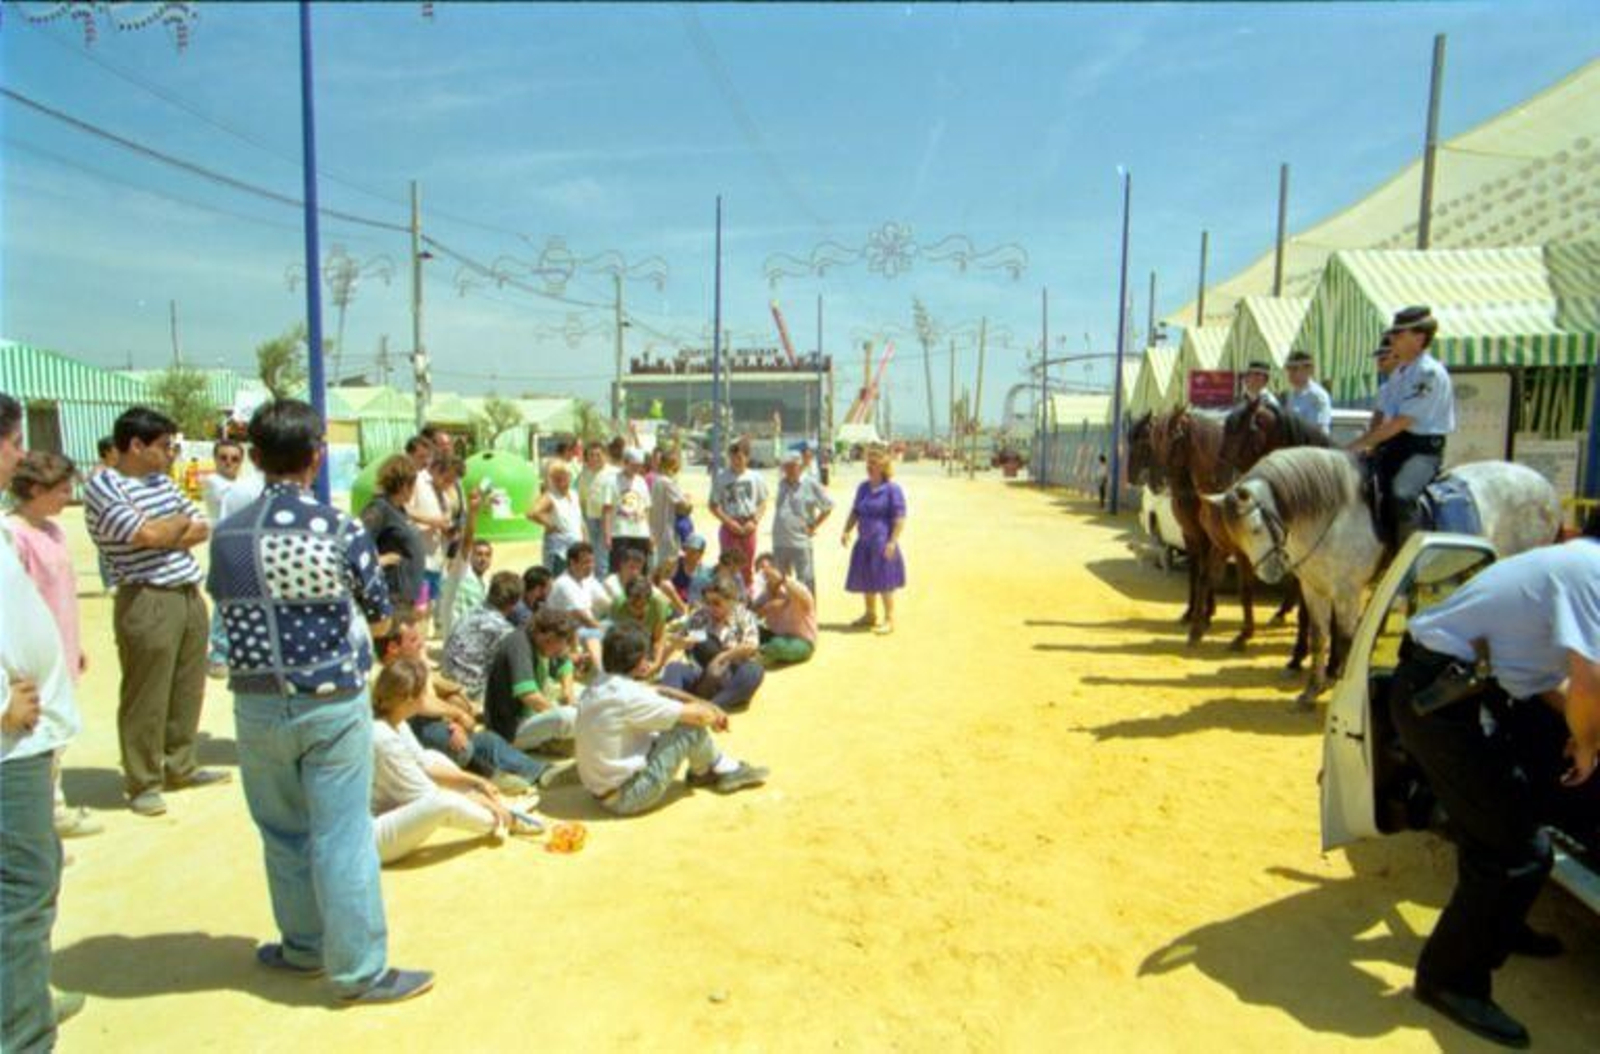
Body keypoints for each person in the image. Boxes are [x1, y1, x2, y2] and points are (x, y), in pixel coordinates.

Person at [207, 398, 432, 1004]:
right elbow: (383, 619)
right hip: (330, 700)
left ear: (254, 458)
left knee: (282, 831)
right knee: (342, 834)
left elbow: (226, 613)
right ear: (317, 456)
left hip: (256, 704)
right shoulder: (338, 529)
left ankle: (303, 946)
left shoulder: (226, 534)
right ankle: (361, 969)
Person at [1386, 533, 1600, 1047]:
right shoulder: (1594, 577)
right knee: (1517, 848)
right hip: (1439, 698)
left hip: (1461, 685)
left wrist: (1581, 734)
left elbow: (1548, 679)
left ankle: (1499, 924)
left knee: (1514, 813)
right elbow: (1587, 680)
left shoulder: (1580, 564)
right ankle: (1448, 980)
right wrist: (1588, 744)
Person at [85, 406, 228, 815]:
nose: (171, 454)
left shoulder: (162, 484)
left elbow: (198, 526)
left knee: (187, 686)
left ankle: (180, 764)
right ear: (136, 445)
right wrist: (168, 530)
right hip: (146, 596)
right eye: (165, 446)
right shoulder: (105, 486)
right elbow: (144, 534)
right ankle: (143, 780)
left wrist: (167, 530)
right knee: (147, 692)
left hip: (186, 591)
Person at [1, 393, 86, 1048]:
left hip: (27, 737)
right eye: (12, 442)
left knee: (32, 881)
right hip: (9, 742)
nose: (18, 454)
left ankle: (26, 998)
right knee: (23, 887)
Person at [575, 624, 767, 816]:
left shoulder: (602, 682)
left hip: (601, 791)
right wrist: (713, 713)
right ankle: (724, 769)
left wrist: (708, 704)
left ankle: (706, 770)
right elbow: (700, 717)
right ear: (639, 661)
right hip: (627, 797)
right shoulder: (629, 696)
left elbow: (660, 690)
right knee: (687, 728)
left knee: (675, 718)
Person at [7, 452, 101, 839]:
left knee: (57, 734)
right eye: (61, 490)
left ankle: (52, 811)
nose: (67, 497)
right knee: (34, 740)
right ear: (34, 490)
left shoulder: (53, 531)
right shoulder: (12, 535)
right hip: (26, 667)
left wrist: (71, 644)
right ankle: (45, 818)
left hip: (59, 651)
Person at [369, 659, 538, 867]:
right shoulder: (382, 737)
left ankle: (499, 806)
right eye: (424, 693)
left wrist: (477, 781)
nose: (428, 697)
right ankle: (503, 819)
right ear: (409, 700)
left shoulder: (395, 720)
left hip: (386, 807)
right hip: (370, 837)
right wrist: (483, 801)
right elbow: (428, 794)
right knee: (444, 803)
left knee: (432, 756)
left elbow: (425, 765)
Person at [373, 619, 555, 793]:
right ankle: (486, 774)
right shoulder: (386, 676)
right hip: (410, 742)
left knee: (486, 740)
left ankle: (538, 771)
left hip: (428, 728)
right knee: (457, 743)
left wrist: (453, 707)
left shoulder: (406, 667)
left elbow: (433, 692)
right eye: (413, 640)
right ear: (393, 648)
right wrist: (457, 715)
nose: (421, 643)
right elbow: (423, 702)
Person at [1348, 306, 1456, 549]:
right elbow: (1383, 418)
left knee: (1402, 494)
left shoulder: (1427, 374)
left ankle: (1410, 563)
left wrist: (1357, 445)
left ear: (1419, 338)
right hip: (1394, 446)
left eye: (1399, 334)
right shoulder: (1400, 374)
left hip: (1422, 451)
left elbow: (1400, 422)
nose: (1393, 339)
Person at [483, 609, 581, 755]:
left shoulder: (541, 642)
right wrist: (558, 710)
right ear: (547, 637)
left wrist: (568, 693)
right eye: (560, 642)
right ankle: (553, 740)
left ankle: (554, 739)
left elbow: (564, 662)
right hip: (510, 730)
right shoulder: (519, 645)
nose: (562, 647)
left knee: (585, 695)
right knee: (567, 717)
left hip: (531, 714)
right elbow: (528, 695)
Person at [660, 579, 766, 711]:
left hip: (732, 675)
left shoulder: (744, 616)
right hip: (702, 676)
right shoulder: (700, 615)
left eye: (716, 603)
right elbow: (680, 640)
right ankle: (671, 708)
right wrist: (657, 665)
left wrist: (723, 657)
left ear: (731, 601)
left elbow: (751, 646)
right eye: (707, 602)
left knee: (754, 671)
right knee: (674, 668)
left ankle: (713, 705)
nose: (711, 607)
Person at [841, 444, 907, 635]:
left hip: (882, 542)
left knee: (885, 581)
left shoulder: (892, 490)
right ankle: (870, 614)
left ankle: (889, 619)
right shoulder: (863, 487)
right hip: (864, 542)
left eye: (873, 462)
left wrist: (892, 541)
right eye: (868, 462)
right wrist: (846, 530)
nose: (869, 466)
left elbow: (900, 518)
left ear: (883, 465)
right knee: (866, 579)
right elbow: (855, 511)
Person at [440, 570, 523, 704]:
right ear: (514, 602)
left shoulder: (471, 611)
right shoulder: (502, 629)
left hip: (446, 679)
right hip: (469, 692)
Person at [361, 455, 428, 614]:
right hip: (392, 597)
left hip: (407, 598)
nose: (414, 490)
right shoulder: (379, 509)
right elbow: (356, 545)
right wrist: (382, 560)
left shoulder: (399, 509)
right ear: (404, 484)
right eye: (413, 485)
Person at [770, 449, 833, 598]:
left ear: (799, 466)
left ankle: (808, 618)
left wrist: (814, 526)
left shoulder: (810, 483)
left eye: (791, 466)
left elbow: (828, 506)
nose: (788, 469)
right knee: (780, 582)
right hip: (779, 541)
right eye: (786, 466)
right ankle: (786, 619)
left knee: (805, 583)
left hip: (800, 542)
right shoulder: (782, 484)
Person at [709, 439, 768, 587]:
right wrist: (728, 522)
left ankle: (746, 597)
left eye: (740, 458)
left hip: (748, 524)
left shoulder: (755, 477)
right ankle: (728, 594)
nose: (736, 461)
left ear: (747, 458)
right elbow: (713, 505)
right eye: (733, 457)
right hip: (730, 524)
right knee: (728, 564)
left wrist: (754, 521)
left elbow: (763, 502)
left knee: (746, 564)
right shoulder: (721, 478)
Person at [752, 553, 817, 666]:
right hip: (777, 636)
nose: (766, 573)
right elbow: (751, 615)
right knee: (751, 631)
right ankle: (764, 651)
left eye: (769, 569)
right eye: (761, 570)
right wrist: (766, 608)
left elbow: (805, 597)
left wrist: (782, 579)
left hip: (801, 641)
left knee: (777, 645)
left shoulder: (793, 588)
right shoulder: (765, 594)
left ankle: (759, 656)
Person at [527, 457, 585, 575]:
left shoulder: (574, 495)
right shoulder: (550, 496)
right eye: (557, 479)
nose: (562, 482)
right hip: (559, 550)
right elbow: (532, 513)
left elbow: (579, 520)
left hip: (575, 546)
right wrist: (550, 524)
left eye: (564, 477)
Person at [611, 576, 676, 677]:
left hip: (650, 635)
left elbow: (658, 638)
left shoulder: (659, 603)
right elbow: (621, 642)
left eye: (641, 606)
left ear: (649, 601)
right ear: (627, 599)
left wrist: (656, 663)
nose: (637, 611)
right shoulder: (618, 607)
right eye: (633, 605)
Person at [602, 447, 653, 572]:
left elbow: (646, 509)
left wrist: (650, 533)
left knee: (639, 570)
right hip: (620, 532)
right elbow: (607, 509)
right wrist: (607, 534)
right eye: (633, 465)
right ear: (625, 463)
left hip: (641, 533)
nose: (636, 469)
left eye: (639, 466)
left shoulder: (641, 481)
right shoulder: (612, 481)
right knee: (619, 569)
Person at [648, 448, 693, 571]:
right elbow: (685, 506)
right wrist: (688, 500)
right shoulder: (667, 482)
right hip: (667, 535)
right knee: (667, 570)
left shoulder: (657, 480)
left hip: (656, 532)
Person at [576, 441, 616, 577]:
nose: (594, 458)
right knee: (591, 554)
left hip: (608, 520)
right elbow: (581, 499)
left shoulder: (613, 473)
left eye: (598, 455)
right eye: (591, 455)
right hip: (590, 518)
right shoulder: (584, 474)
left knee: (603, 556)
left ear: (604, 455)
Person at [1283, 349, 1333, 435]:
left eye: (1295, 369)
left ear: (1309, 370)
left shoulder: (1317, 396)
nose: (1290, 373)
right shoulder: (1291, 395)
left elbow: (1318, 430)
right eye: (1289, 369)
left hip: (1313, 446)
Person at [202, 438, 245, 520]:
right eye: (223, 458)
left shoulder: (243, 482)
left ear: (241, 461)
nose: (229, 462)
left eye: (235, 459)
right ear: (215, 458)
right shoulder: (211, 481)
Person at [670, 533, 714, 606]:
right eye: (687, 550)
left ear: (701, 553)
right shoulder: (674, 564)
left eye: (693, 551)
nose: (689, 554)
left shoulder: (705, 573)